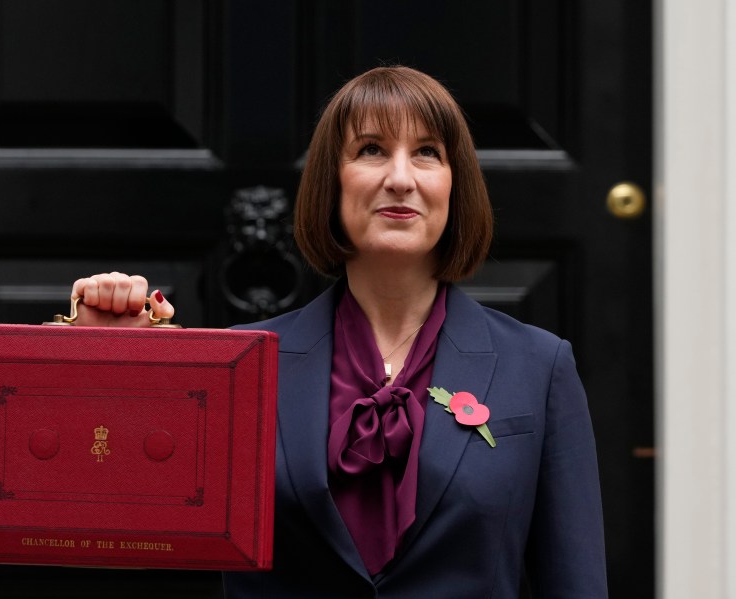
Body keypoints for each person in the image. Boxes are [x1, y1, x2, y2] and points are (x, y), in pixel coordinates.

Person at [70, 66, 607, 598]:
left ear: (455, 184)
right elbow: (108, 510)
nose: (400, 177)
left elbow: (576, 582)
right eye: (371, 149)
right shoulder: (241, 365)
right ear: (332, 180)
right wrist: (109, 362)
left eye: (427, 152)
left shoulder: (538, 366)